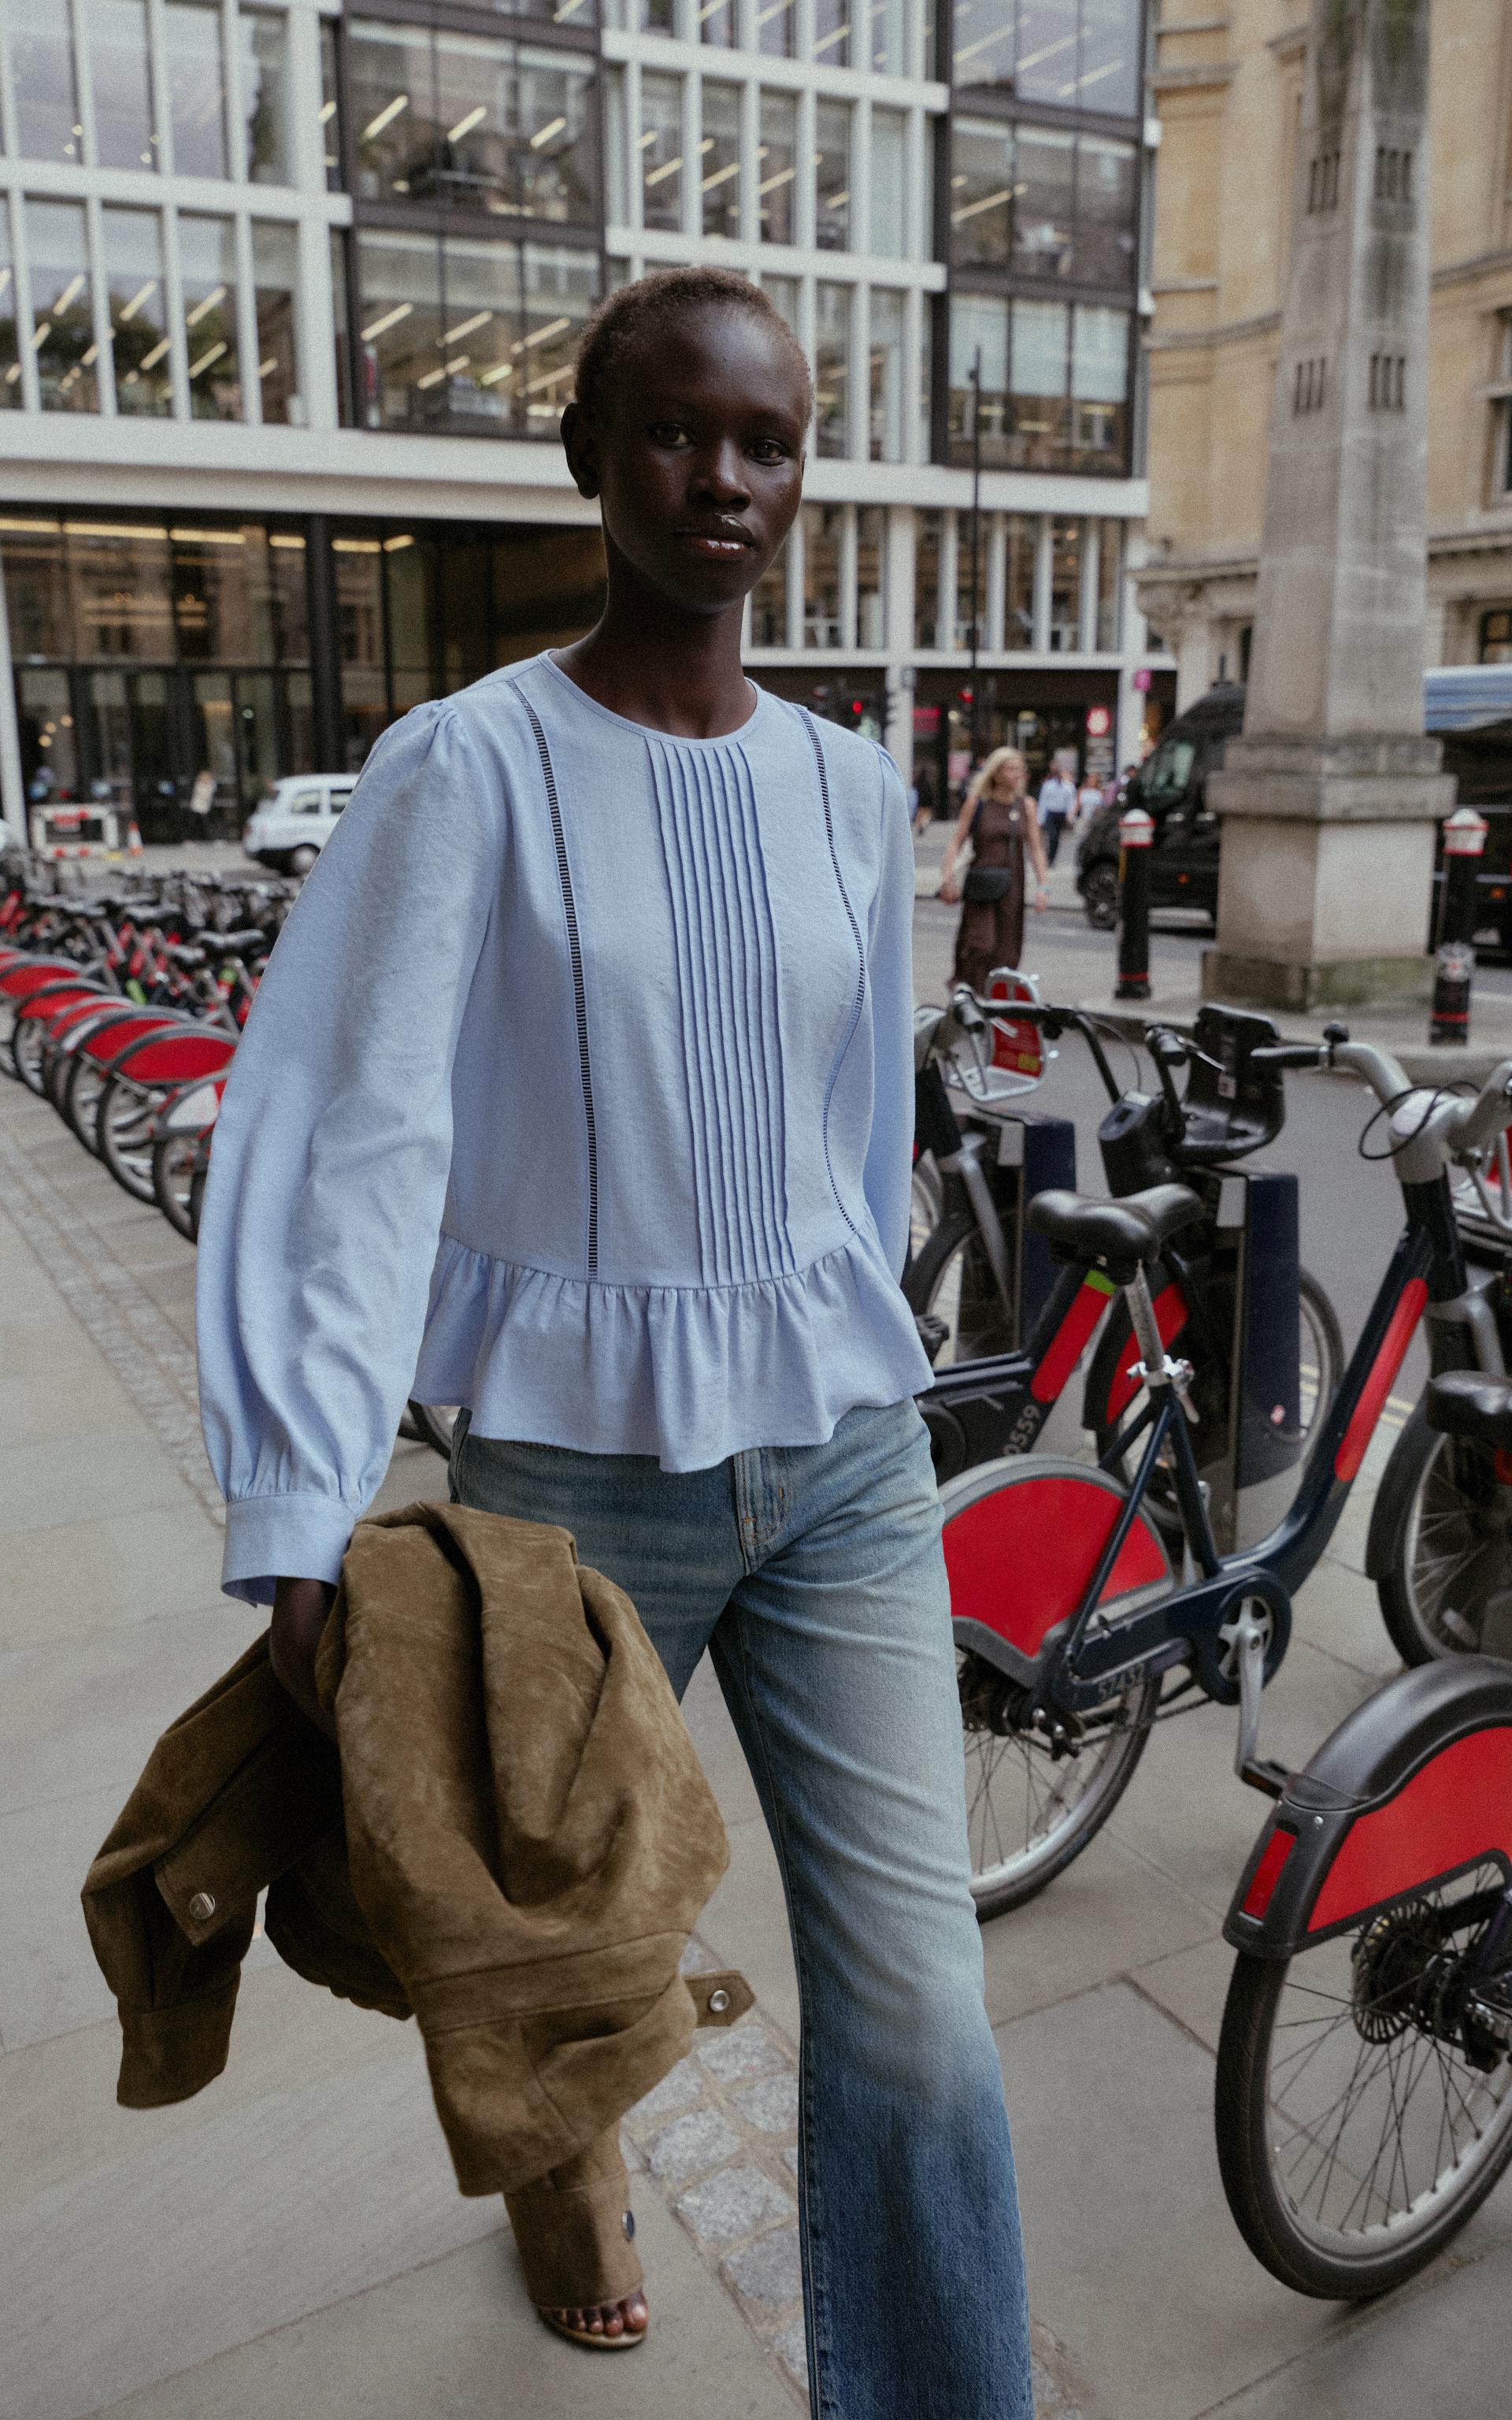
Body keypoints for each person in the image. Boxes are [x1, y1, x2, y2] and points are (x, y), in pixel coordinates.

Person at [194, 265, 1034, 2420]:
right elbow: (353, 1132)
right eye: (675, 430)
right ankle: (567, 2198)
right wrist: (301, 1493)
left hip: (840, 1460)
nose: (723, 479)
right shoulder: (465, 767)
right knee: (550, 1955)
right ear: (589, 452)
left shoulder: (849, 787)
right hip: (568, 1483)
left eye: (767, 442)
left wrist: (867, 1311)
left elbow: (855, 1134)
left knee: (922, 2009)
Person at [936, 744, 1048, 994]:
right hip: (982, 885)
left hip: (1012, 886)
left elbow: (1036, 848)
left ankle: (996, 998)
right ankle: (971, 993)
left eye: (1020, 769)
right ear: (996, 773)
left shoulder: (1027, 805)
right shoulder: (977, 804)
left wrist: (1043, 886)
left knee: (1007, 949)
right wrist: (948, 876)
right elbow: (956, 842)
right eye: (1011, 769)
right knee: (981, 944)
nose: (1017, 774)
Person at [1034, 748, 1077, 866]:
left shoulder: (1068, 786)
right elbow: (1043, 802)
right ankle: (1049, 858)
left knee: (1057, 837)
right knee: (1052, 835)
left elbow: (1071, 801)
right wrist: (1040, 819)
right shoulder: (1048, 785)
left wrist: (1070, 816)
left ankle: (1052, 857)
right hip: (1051, 814)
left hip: (1061, 814)